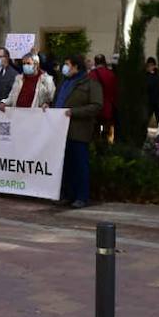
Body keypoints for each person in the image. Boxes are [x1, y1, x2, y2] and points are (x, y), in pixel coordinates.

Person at [52, 54, 104, 209]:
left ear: (76, 67)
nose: (65, 67)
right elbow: (57, 101)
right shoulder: (63, 83)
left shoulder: (91, 84)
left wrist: (74, 112)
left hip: (79, 131)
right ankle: (68, 194)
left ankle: (82, 196)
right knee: (66, 165)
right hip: (61, 131)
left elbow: (96, 106)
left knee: (79, 165)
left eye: (67, 64)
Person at [88, 55, 119, 144]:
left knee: (95, 131)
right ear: (104, 62)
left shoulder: (91, 74)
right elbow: (115, 91)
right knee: (106, 130)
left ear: (95, 62)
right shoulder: (111, 74)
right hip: (107, 108)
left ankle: (95, 148)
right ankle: (105, 148)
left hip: (94, 108)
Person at [145, 57, 159, 127]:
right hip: (149, 102)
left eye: (152, 65)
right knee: (145, 120)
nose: (150, 67)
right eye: (149, 65)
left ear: (154, 65)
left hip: (158, 102)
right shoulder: (145, 75)